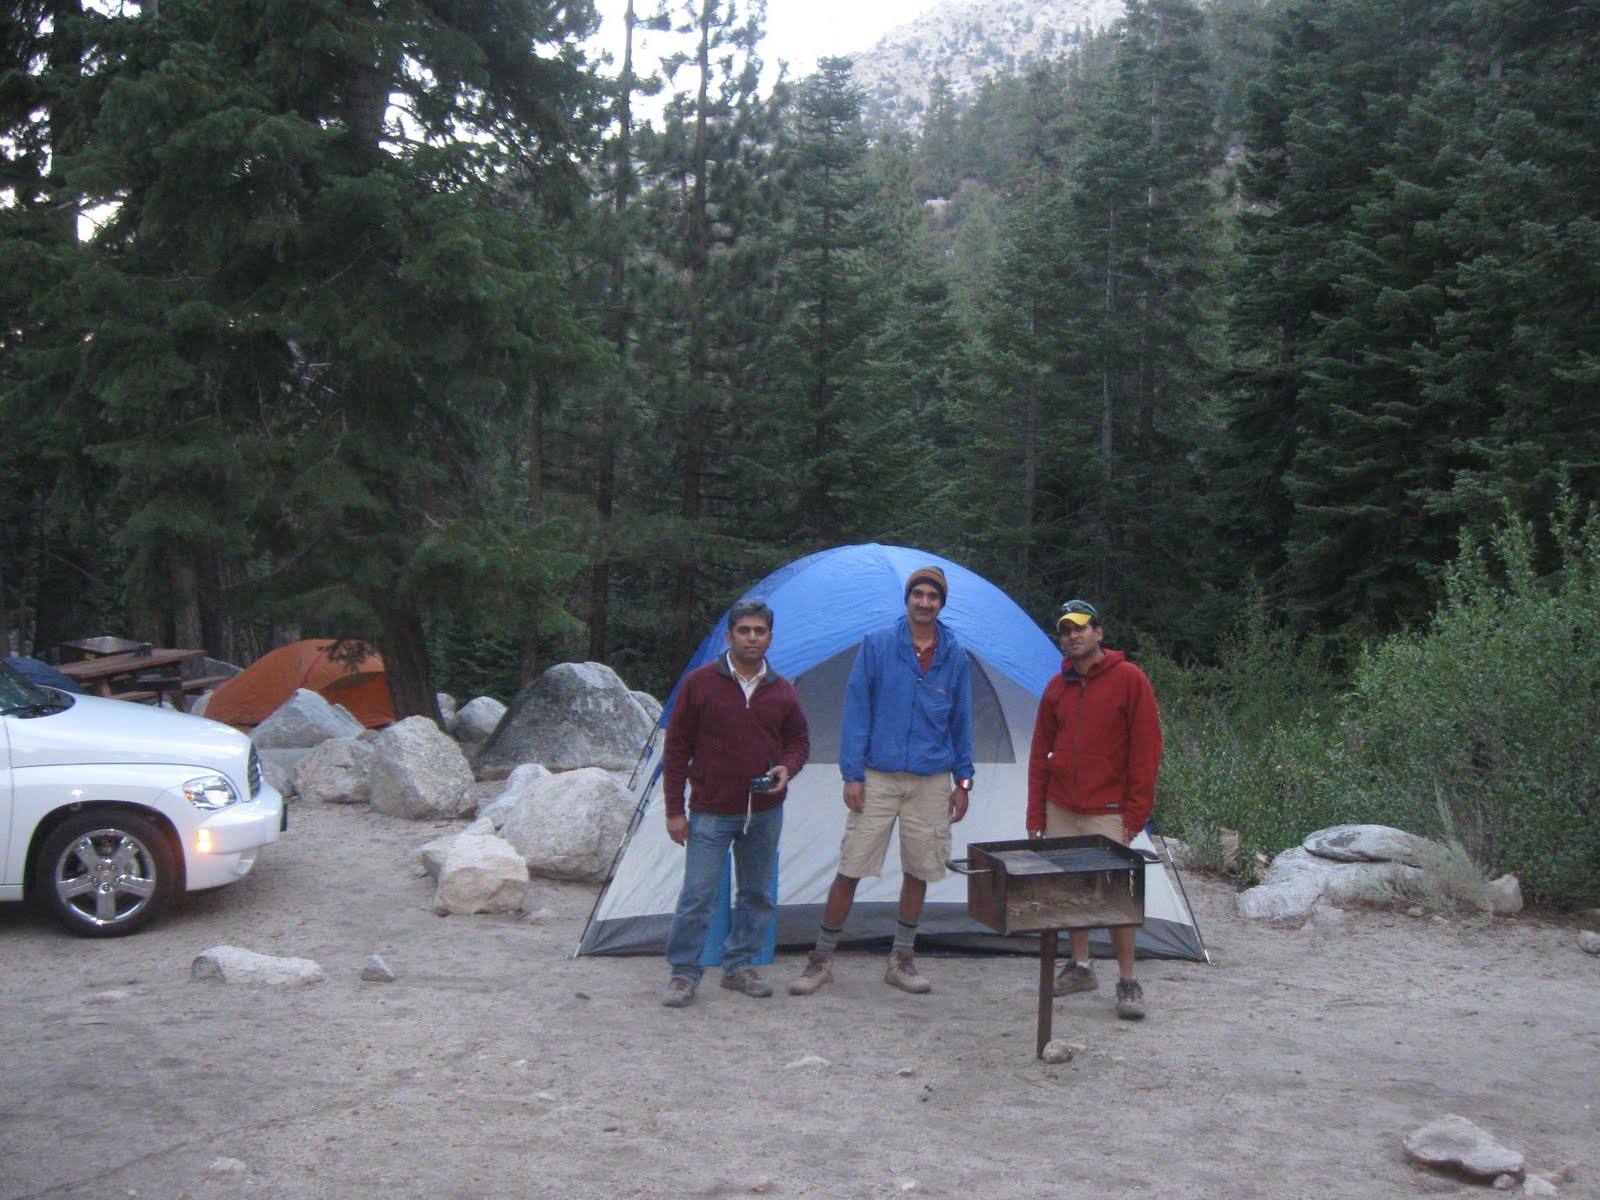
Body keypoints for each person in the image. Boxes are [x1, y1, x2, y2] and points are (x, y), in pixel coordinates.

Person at [789, 565, 975, 996]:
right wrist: (852, 774)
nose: (924, 602)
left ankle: (902, 959)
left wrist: (963, 784)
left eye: (933, 596)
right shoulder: (877, 646)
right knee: (852, 864)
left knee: (920, 867)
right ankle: (821, 958)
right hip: (877, 774)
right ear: (907, 600)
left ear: (941, 604)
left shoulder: (955, 655)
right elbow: (857, 713)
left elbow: (962, 722)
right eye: (918, 594)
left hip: (931, 779)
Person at [659, 599, 810, 1008]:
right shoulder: (699, 684)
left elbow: (799, 742)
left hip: (763, 811)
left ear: (770, 638)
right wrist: (675, 810)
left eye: (759, 631)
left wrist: (786, 768)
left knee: (757, 893)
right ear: (729, 636)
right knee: (698, 894)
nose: (752, 638)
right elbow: (676, 751)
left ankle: (739, 966)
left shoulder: (783, 689)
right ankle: (684, 974)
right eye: (744, 630)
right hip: (710, 809)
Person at [1026, 599, 1162, 1020]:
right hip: (1062, 806)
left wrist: (1134, 816)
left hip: (1108, 807)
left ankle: (1127, 981)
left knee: (1116, 896)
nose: (1073, 636)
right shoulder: (1056, 687)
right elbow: (1038, 754)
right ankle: (1081, 965)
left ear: (1099, 633)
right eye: (1066, 630)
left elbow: (1146, 751)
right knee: (1072, 890)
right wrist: (1037, 815)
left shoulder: (1130, 679)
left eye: (1081, 628)